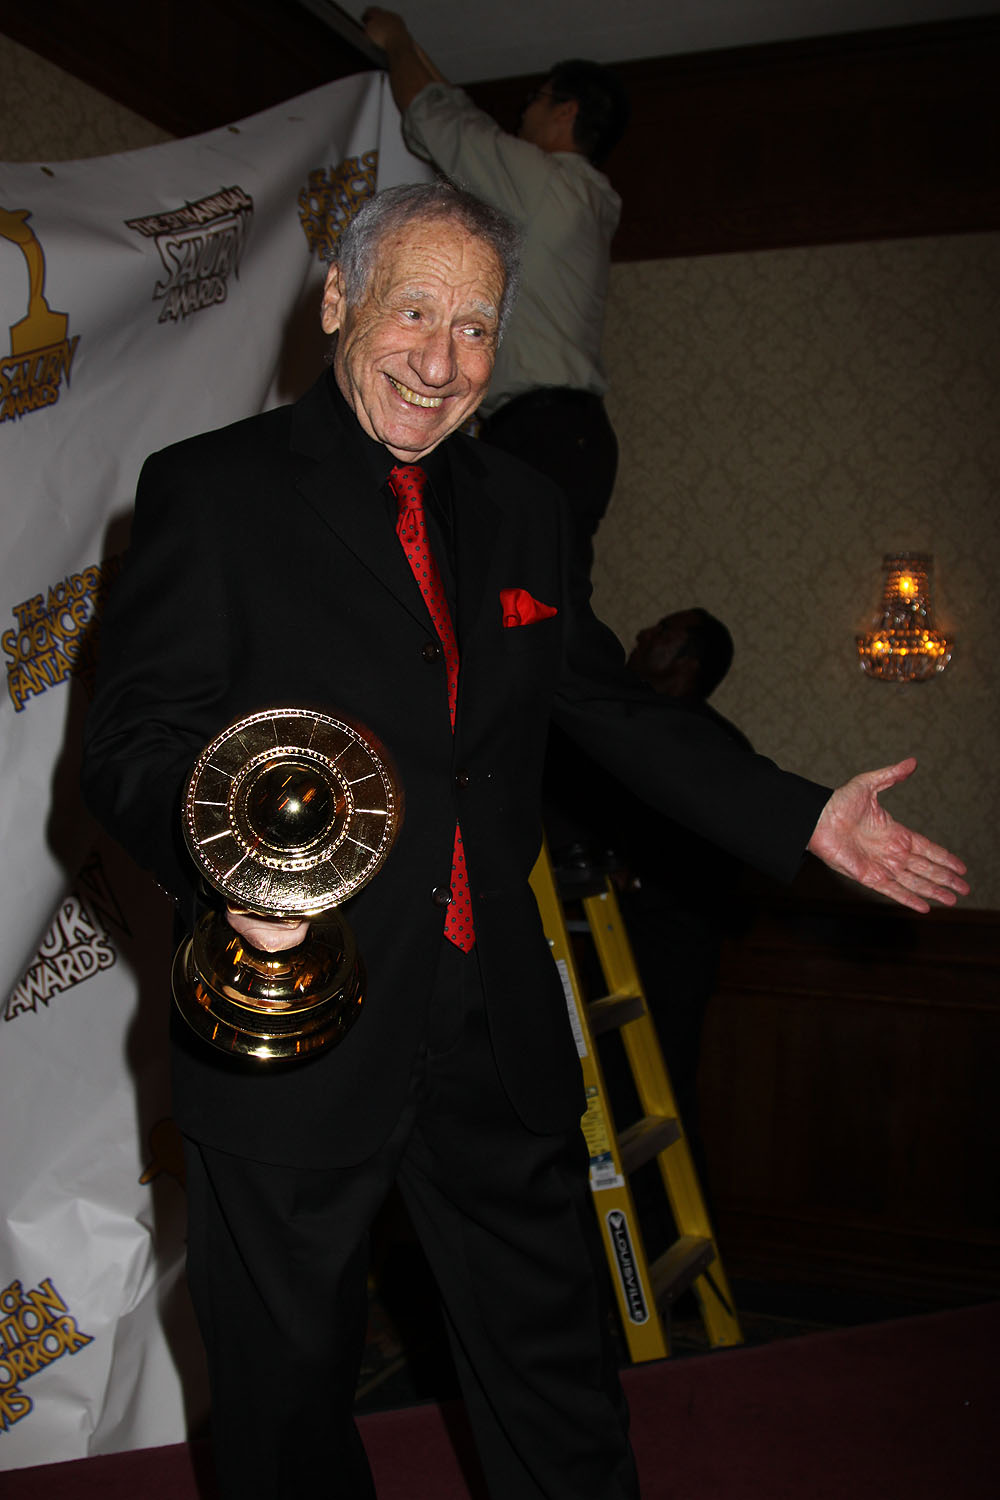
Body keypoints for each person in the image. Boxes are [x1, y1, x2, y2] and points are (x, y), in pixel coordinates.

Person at [81, 182, 968, 1500]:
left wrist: (798, 813)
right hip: (293, 1010)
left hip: (490, 1017)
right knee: (284, 1398)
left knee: (554, 1368)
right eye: (414, 312)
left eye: (477, 328)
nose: (441, 362)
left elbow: (607, 704)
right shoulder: (210, 490)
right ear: (339, 301)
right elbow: (132, 741)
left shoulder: (523, 507)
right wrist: (229, 864)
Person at [364, 7, 628, 568]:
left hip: (544, 432)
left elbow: (436, 116)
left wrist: (396, 39)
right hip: (568, 435)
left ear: (567, 111)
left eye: (536, 98)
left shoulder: (543, 185)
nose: (523, 110)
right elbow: (463, 116)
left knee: (508, 588)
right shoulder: (583, 197)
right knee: (532, 592)